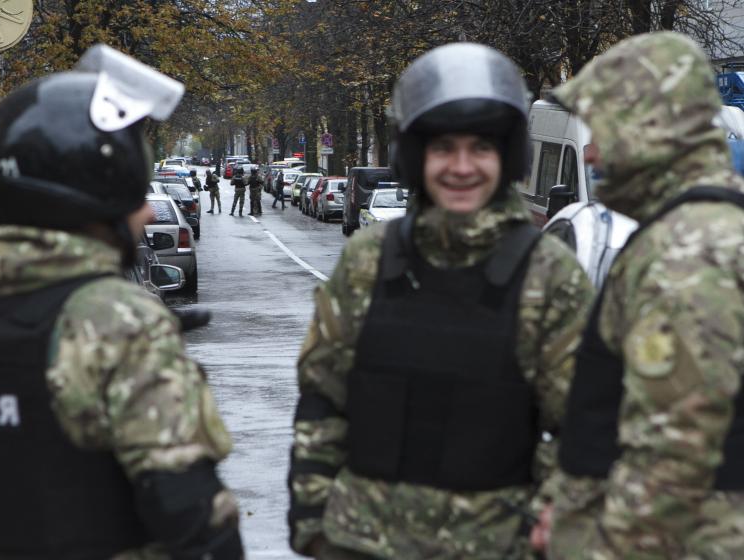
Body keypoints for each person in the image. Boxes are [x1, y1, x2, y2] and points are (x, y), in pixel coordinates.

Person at [0, 45, 243, 559]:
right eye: (134, 190)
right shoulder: (116, 321)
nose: (149, 213)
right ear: (87, 194)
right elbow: (194, 518)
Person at [287, 42, 594, 560]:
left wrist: (550, 522)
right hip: (362, 540)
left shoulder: (549, 274)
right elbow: (323, 399)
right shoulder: (369, 261)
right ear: (415, 155)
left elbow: (585, 426)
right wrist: (314, 521)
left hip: (496, 545)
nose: (461, 167)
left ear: (508, 156)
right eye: (443, 148)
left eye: (481, 148)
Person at [532, 31, 744, 560]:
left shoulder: (685, 254)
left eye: (604, 127)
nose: (591, 150)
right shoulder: (693, 231)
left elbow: (673, 451)